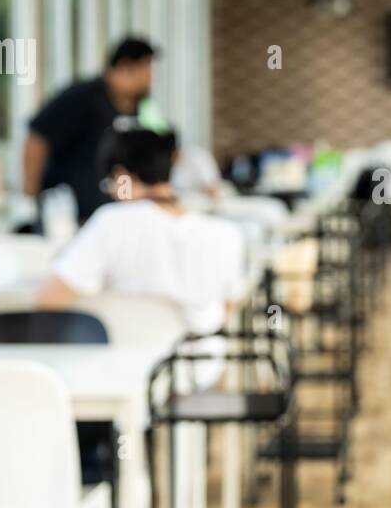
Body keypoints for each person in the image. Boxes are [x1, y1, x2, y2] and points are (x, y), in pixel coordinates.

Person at [37, 127, 247, 334]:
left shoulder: (112, 222)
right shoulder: (226, 234)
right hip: (199, 363)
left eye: (110, 184)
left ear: (122, 177)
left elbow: (49, 301)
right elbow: (228, 308)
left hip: (126, 362)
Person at [23, 35, 158, 225]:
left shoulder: (131, 109)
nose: (151, 79)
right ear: (126, 67)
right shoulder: (82, 98)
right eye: (147, 69)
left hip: (106, 216)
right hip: (68, 216)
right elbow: (37, 136)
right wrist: (30, 196)